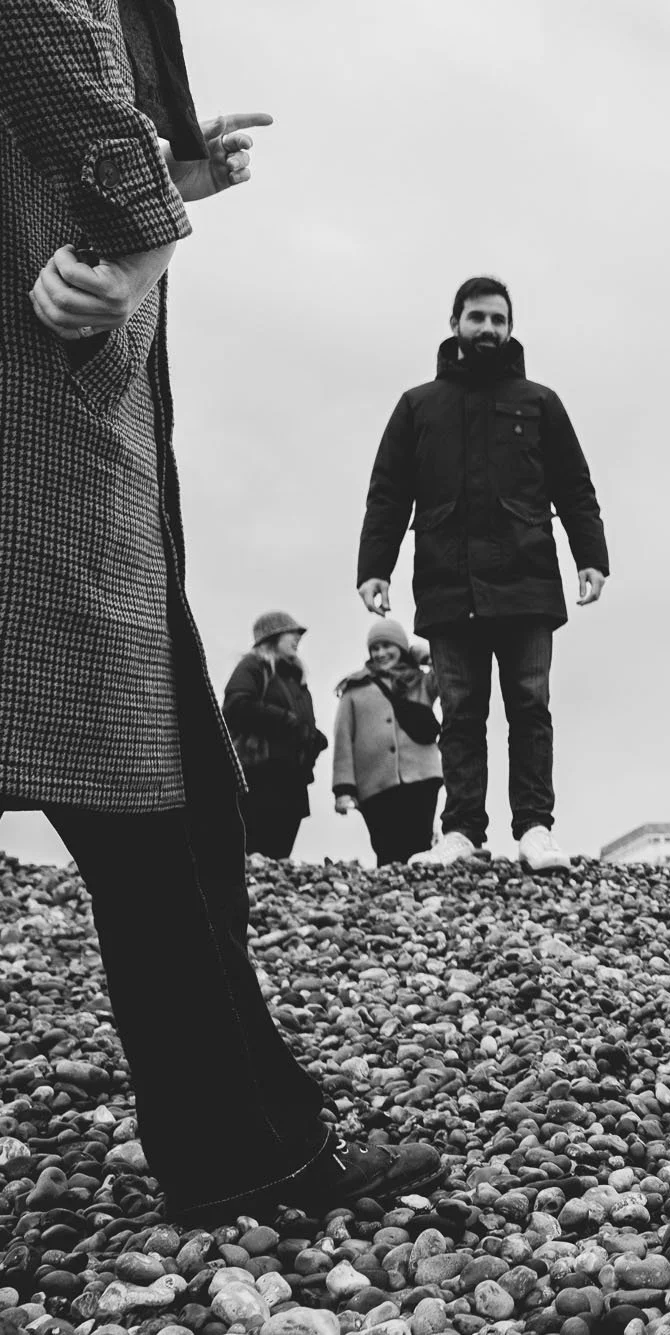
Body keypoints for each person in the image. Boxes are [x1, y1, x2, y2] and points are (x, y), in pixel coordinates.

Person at [0, 0, 440, 1223]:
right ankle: (241, 1149)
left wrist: (163, 181)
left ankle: (247, 1135)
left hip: (74, 470)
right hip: (47, 471)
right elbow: (58, 70)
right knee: (165, 836)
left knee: (173, 827)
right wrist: (149, 215)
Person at [356, 275, 609, 873]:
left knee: (529, 709)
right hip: (448, 586)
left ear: (510, 327)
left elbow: (576, 487)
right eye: (477, 318)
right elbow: (388, 494)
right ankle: (462, 831)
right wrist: (375, 568)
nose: (488, 329)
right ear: (455, 325)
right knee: (462, 715)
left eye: (498, 319)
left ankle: (536, 829)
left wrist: (591, 557)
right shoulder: (419, 406)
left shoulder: (540, 402)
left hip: (528, 583)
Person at [331, 618, 443, 866]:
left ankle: (420, 898)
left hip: (422, 777)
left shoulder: (420, 681)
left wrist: (421, 654)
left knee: (420, 846)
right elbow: (343, 739)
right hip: (375, 784)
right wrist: (343, 789)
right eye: (375, 648)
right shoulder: (354, 688)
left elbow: (448, 671)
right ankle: (390, 897)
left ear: (401, 647)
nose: (380, 653)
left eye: (387, 646)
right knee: (387, 849)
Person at [222, 611, 326, 859]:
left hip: (292, 778)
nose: (298, 637)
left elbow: (301, 722)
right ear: (273, 636)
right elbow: (235, 705)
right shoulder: (253, 666)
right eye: (292, 632)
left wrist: (314, 738)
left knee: (280, 853)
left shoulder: (295, 676)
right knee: (257, 852)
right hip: (261, 776)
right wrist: (285, 721)